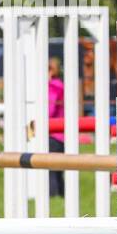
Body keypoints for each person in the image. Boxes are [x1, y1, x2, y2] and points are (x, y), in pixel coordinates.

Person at [47, 55, 65, 198]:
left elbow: (50, 110)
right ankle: (61, 193)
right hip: (61, 134)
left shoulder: (53, 86)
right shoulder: (60, 85)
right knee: (58, 168)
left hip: (53, 133)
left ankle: (52, 195)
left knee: (52, 168)